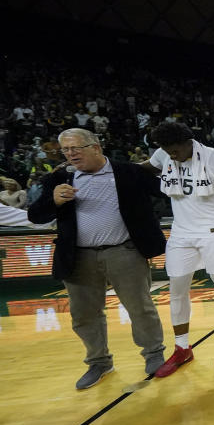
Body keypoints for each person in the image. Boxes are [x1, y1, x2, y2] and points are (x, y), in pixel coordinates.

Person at [27, 128, 167, 390]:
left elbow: (168, 192)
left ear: (96, 147)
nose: (70, 154)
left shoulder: (129, 172)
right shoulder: (58, 178)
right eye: (65, 150)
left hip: (124, 251)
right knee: (83, 314)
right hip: (78, 256)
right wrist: (54, 201)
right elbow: (35, 216)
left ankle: (153, 354)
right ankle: (99, 362)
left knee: (140, 307)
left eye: (75, 148)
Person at [142, 122, 214, 378]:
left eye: (173, 148)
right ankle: (182, 347)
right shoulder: (163, 155)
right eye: (165, 149)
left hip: (213, 229)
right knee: (177, 289)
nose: (170, 153)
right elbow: (142, 170)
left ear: (188, 141)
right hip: (181, 232)